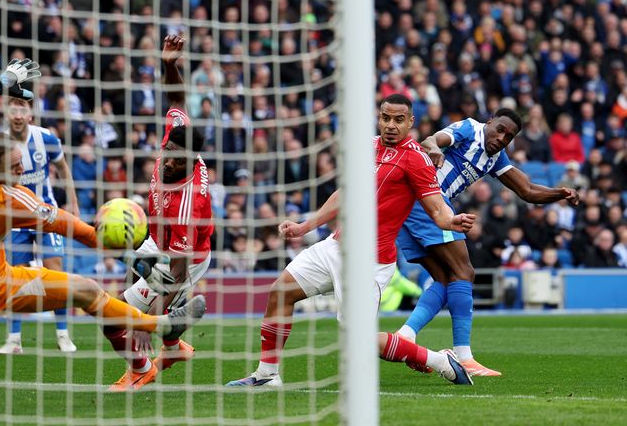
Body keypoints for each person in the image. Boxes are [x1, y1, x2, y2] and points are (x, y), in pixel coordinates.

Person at [0, 59, 206, 410]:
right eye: (13, 168)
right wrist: (132, 254)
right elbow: (78, 230)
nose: (19, 172)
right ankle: (160, 326)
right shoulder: (9, 202)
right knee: (86, 291)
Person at [226, 94, 475, 387]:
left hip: (369, 261)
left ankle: (441, 361)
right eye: (386, 118)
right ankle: (267, 375)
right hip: (335, 245)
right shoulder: (367, 146)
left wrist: (450, 222)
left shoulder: (417, 159)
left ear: (410, 122)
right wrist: (305, 226)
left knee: (360, 342)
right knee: (281, 292)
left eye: (398, 120)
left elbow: (436, 208)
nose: (390, 125)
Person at [396, 108, 579, 376]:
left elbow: (527, 190)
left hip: (409, 205)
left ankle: (405, 337)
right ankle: (464, 356)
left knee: (446, 280)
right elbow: (431, 140)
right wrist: (434, 148)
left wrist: (559, 193)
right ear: (489, 122)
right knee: (465, 272)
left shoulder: (494, 157)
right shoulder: (470, 129)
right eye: (500, 129)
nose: (502, 138)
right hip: (427, 200)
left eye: (509, 137)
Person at [104, 34, 214, 391]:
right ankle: (173, 342)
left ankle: (143, 365)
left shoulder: (189, 204)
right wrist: (169, 64)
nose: (166, 161)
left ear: (191, 161)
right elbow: (178, 99)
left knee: (113, 317)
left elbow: (178, 273)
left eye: (175, 160)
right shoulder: (178, 134)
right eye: (166, 152)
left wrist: (147, 320)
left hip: (184, 258)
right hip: (157, 240)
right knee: (130, 283)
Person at [0, 96, 81, 355]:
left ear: (31, 113)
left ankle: (63, 335)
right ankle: (14, 340)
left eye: (23, 109)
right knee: (16, 277)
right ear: (6, 114)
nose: (18, 114)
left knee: (55, 273)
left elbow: (64, 170)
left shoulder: (47, 138)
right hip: (15, 218)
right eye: (13, 109)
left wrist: (73, 205)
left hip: (46, 214)